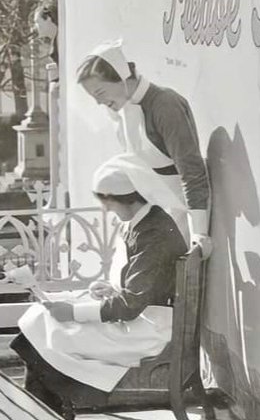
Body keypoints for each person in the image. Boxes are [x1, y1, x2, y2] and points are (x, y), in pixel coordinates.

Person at [12, 154, 188, 412]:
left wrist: (73, 312)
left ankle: (49, 414)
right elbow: (142, 286)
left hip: (149, 330)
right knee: (39, 322)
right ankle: (50, 411)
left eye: (108, 203)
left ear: (130, 198)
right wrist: (111, 288)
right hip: (139, 318)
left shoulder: (154, 234)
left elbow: (131, 305)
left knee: (46, 334)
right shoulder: (141, 223)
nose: (105, 210)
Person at [76, 39, 211, 257]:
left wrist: (200, 234)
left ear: (121, 77)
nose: (99, 103)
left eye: (100, 92)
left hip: (182, 215)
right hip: (155, 215)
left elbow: (192, 172)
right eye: (94, 97)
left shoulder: (165, 104)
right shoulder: (123, 112)